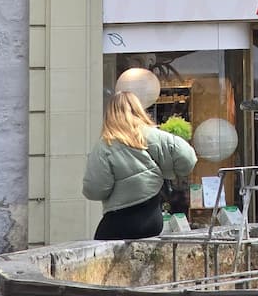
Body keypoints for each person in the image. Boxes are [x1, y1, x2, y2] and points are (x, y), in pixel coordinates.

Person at [82, 91, 197, 240]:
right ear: (138, 110)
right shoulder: (154, 135)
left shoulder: (104, 146)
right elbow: (188, 158)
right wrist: (168, 172)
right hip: (152, 219)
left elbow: (94, 190)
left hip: (118, 222)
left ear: (109, 114)